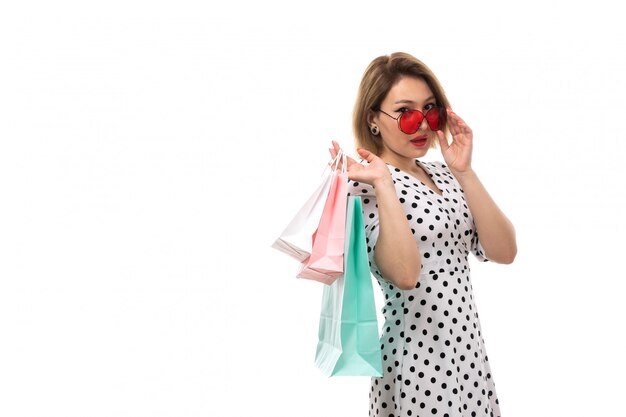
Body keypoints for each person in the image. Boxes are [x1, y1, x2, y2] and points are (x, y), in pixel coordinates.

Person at [329, 52, 516, 417]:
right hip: (417, 361)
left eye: (431, 110)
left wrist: (463, 171)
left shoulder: (445, 174)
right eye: (406, 112)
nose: (422, 124)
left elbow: (505, 251)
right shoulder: (364, 185)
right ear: (373, 119)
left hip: (470, 353)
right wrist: (384, 182)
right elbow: (405, 274)